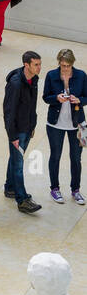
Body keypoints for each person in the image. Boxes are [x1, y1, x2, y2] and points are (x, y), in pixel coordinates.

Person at [43, 48, 87, 205]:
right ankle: (54, 188)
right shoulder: (51, 75)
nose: (65, 68)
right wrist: (56, 98)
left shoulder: (81, 75)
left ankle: (75, 190)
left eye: (68, 65)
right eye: (62, 65)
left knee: (76, 158)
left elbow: (86, 97)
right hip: (55, 124)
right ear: (59, 63)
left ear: (72, 64)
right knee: (55, 156)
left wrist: (79, 100)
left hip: (77, 125)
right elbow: (45, 98)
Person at [4, 51, 43, 214]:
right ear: (26, 65)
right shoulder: (16, 83)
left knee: (15, 158)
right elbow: (9, 112)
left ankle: (10, 188)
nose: (39, 68)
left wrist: (32, 124)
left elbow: (32, 105)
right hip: (17, 131)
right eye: (36, 64)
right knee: (19, 164)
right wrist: (12, 136)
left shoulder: (33, 79)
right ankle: (22, 199)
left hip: (27, 127)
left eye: (40, 64)